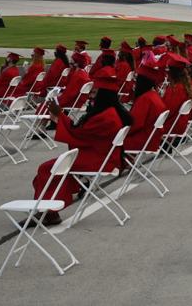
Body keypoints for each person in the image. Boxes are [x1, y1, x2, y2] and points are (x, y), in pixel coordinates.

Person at [30, 70, 133, 226]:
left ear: (103, 95)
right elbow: (82, 133)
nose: (90, 96)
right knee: (53, 168)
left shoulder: (106, 117)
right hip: (99, 154)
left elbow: (79, 134)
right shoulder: (111, 112)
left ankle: (48, 212)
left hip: (99, 159)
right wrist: (61, 117)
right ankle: (49, 209)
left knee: (46, 169)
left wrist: (60, 116)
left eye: (94, 92)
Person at [123, 63, 167, 153]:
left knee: (106, 142)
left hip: (142, 141)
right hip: (152, 139)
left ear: (141, 82)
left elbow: (135, 124)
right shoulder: (154, 95)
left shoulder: (145, 99)